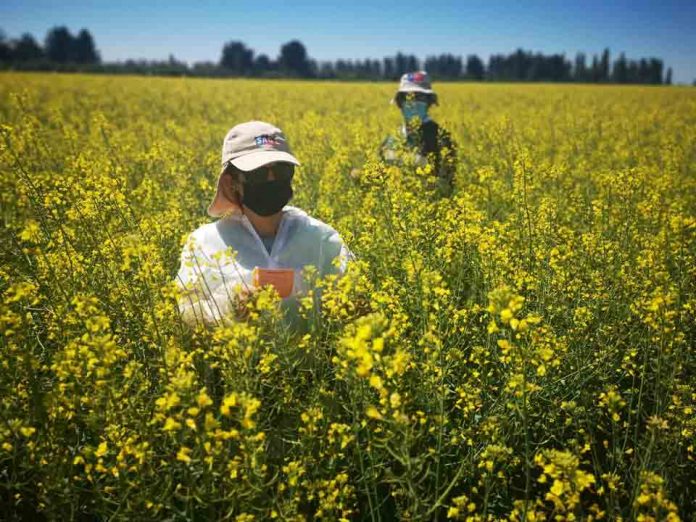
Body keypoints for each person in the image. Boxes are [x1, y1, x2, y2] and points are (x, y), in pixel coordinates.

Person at [176, 121, 351, 325]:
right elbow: (185, 312)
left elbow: (350, 303)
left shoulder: (321, 237)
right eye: (257, 173)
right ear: (232, 182)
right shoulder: (205, 242)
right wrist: (230, 306)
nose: (271, 179)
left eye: (282, 171)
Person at [380, 71, 457, 195]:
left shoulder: (441, 139)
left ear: (429, 102)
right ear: (399, 102)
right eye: (407, 97)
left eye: (419, 97)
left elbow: (447, 187)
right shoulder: (391, 139)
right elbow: (379, 176)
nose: (412, 102)